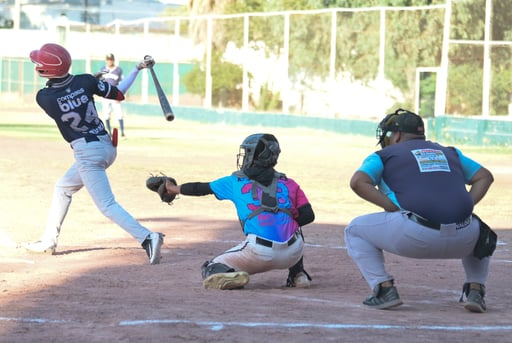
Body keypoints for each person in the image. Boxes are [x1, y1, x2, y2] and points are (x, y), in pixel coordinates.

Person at [23, 43, 164, 265]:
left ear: (47, 70)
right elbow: (118, 94)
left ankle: (147, 237)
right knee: (63, 187)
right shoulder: (85, 80)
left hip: (87, 153)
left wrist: (88, 85)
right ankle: (49, 240)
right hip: (106, 146)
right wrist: (137, 68)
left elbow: (65, 94)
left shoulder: (44, 97)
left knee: (107, 205)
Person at [344, 108, 494, 312]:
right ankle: (476, 289)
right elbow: (485, 176)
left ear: (396, 136)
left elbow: (358, 182)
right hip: (464, 237)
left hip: (415, 236)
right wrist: (467, 205)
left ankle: (383, 289)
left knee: (354, 229)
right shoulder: (450, 152)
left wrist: (391, 207)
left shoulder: (383, 155)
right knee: (481, 229)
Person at [162, 133, 315, 289]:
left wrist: (172, 188)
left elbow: (200, 188)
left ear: (255, 156)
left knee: (211, 267)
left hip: (259, 253)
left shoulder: (235, 182)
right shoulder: (289, 183)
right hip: (293, 253)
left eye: (248, 152)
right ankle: (298, 275)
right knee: (293, 224)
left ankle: (230, 274)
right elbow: (308, 216)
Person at [97, 53, 125, 137]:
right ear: (106, 60)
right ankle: (109, 132)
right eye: (108, 59)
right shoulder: (103, 69)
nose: (109, 61)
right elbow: (99, 82)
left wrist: (120, 94)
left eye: (111, 59)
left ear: (113, 60)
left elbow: (121, 83)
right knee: (106, 114)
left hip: (115, 94)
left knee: (119, 113)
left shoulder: (118, 70)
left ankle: (122, 132)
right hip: (105, 95)